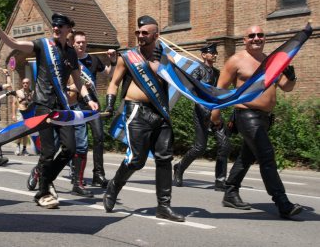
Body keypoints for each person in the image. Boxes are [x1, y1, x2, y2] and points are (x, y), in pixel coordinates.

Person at [0, 13, 99, 209]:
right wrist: (0, 33)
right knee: (48, 152)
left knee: (70, 149)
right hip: (43, 105)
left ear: (68, 29)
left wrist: (89, 100)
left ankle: (45, 178)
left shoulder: (71, 53)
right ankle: (43, 192)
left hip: (62, 106)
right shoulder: (42, 45)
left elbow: (78, 81)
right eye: (54, 25)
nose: (55, 28)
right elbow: (14, 44)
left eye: (60, 26)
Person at [210, 26, 302, 219]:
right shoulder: (236, 60)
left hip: (265, 118)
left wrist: (292, 77)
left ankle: (230, 191)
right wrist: (215, 115)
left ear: (265, 38)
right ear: (244, 40)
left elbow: (286, 87)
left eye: (260, 35)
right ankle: (282, 202)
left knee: (246, 157)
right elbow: (220, 89)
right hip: (246, 116)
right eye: (251, 35)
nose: (256, 38)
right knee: (266, 156)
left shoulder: (271, 61)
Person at [102, 15, 185, 222]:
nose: (140, 36)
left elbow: (181, 80)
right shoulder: (128, 57)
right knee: (137, 160)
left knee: (164, 158)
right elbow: (114, 83)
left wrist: (164, 64)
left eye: (145, 33)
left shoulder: (167, 56)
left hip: (160, 111)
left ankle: (163, 206)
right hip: (136, 112)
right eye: (138, 32)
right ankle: (113, 187)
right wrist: (110, 104)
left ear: (156, 35)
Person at [173, 43, 230, 191]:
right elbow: (191, 90)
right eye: (212, 52)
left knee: (224, 144)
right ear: (204, 55)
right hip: (201, 111)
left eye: (216, 52)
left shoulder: (217, 73)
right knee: (200, 147)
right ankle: (179, 168)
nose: (215, 55)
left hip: (215, 111)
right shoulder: (198, 70)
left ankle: (220, 180)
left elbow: (220, 91)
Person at [73, 30, 117, 188]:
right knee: (78, 142)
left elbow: (110, 74)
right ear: (73, 44)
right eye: (78, 42)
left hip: (92, 105)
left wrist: (112, 61)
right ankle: (75, 173)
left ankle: (98, 174)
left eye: (83, 42)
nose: (81, 44)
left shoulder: (93, 59)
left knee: (99, 138)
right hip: (76, 105)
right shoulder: (69, 61)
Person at [11, 78, 34, 156]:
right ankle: (18, 147)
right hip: (20, 113)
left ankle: (24, 149)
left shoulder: (32, 93)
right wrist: (13, 115)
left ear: (29, 84)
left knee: (26, 132)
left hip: (28, 113)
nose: (25, 84)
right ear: (22, 83)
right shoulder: (18, 92)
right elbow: (14, 103)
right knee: (20, 131)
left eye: (27, 83)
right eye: (23, 83)